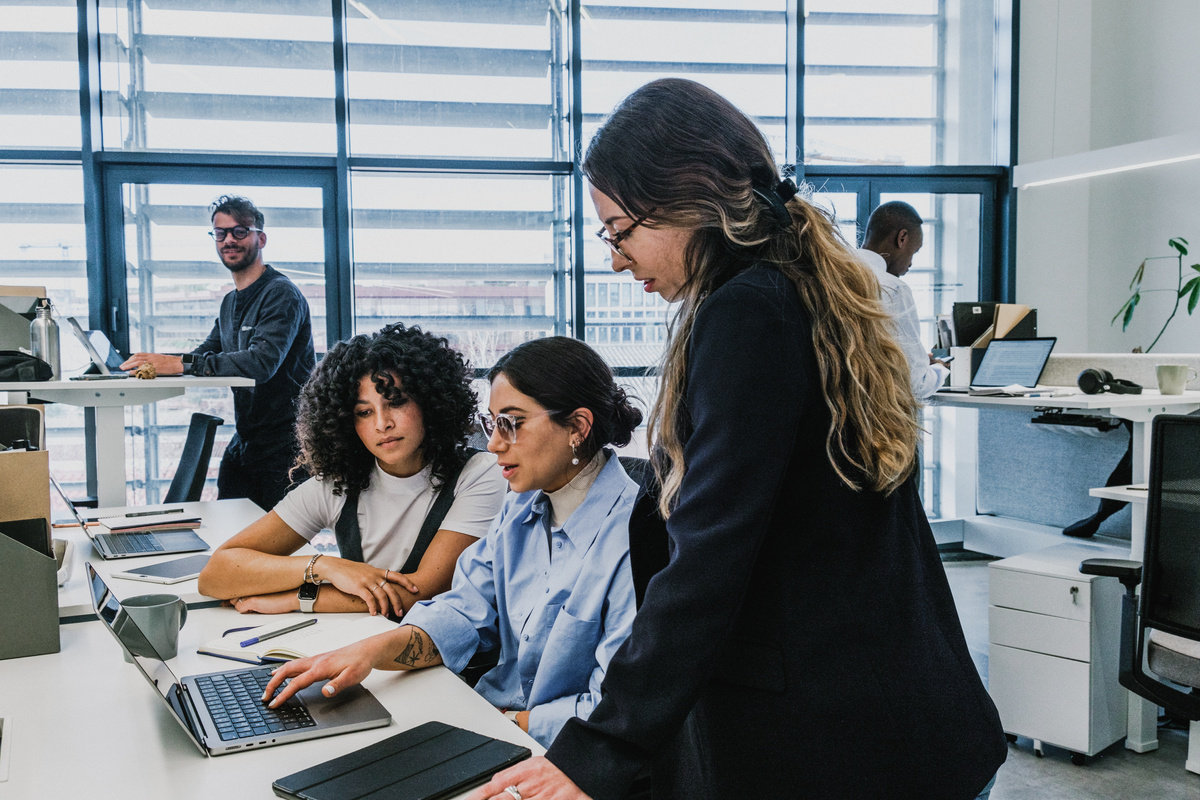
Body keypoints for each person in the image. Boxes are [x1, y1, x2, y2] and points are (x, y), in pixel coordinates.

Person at [468, 79, 1007, 800]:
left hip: (836, 733)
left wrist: (600, 747)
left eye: (621, 230)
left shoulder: (747, 312)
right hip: (896, 708)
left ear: (688, 199)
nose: (617, 258)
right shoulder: (800, 287)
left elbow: (711, 555)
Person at [262, 336, 643, 748]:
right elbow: (463, 611)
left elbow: (614, 705)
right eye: (492, 423)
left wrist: (504, 722)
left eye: (512, 423)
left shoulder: (638, 539)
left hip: (562, 752)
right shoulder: (520, 509)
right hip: (495, 721)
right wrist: (366, 653)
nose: (494, 443)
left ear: (578, 428)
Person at [198, 322, 505, 618]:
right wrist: (325, 566)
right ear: (345, 421)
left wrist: (296, 598)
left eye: (396, 402)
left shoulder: (481, 474)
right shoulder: (337, 484)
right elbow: (215, 575)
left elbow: (420, 592)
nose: (382, 424)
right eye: (364, 412)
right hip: (358, 643)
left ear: (430, 401)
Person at [121, 195, 316, 511]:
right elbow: (205, 352)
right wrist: (156, 362)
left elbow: (261, 363)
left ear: (260, 238)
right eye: (221, 233)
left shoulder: (281, 294)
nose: (229, 240)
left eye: (240, 231)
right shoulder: (230, 302)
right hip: (248, 441)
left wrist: (180, 364)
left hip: (285, 447)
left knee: (272, 539)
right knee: (228, 523)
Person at [859, 200, 950, 401]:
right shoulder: (892, 288)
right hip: (874, 412)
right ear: (902, 238)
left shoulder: (832, 277)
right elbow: (915, 385)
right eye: (914, 251)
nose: (911, 263)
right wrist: (940, 369)